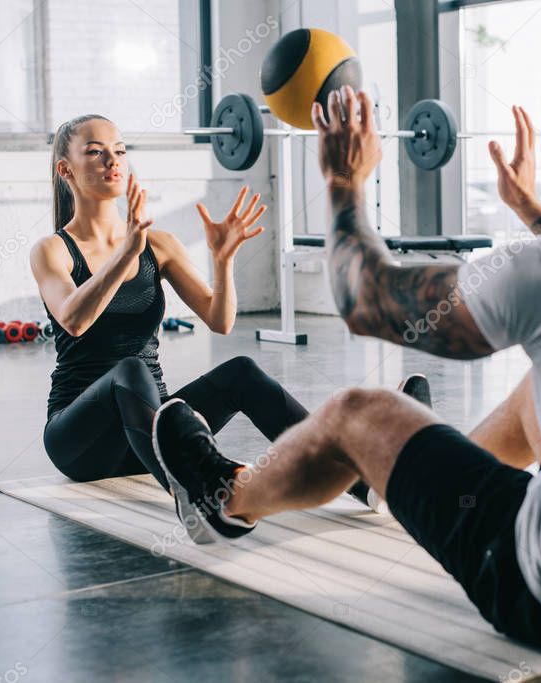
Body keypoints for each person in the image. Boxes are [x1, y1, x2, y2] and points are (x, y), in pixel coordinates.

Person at [151, 64, 541, 651]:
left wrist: (344, 184)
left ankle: (222, 498)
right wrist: (531, 209)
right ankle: (400, 493)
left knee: (358, 412)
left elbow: (363, 297)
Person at [30, 114, 393, 529]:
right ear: (66, 169)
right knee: (127, 369)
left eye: (119, 151)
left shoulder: (157, 244)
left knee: (242, 372)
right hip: (82, 442)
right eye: (95, 152)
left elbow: (219, 320)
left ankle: (360, 480)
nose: (111, 160)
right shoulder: (52, 250)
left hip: (154, 432)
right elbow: (75, 320)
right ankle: (199, 493)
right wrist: (126, 254)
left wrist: (223, 262)